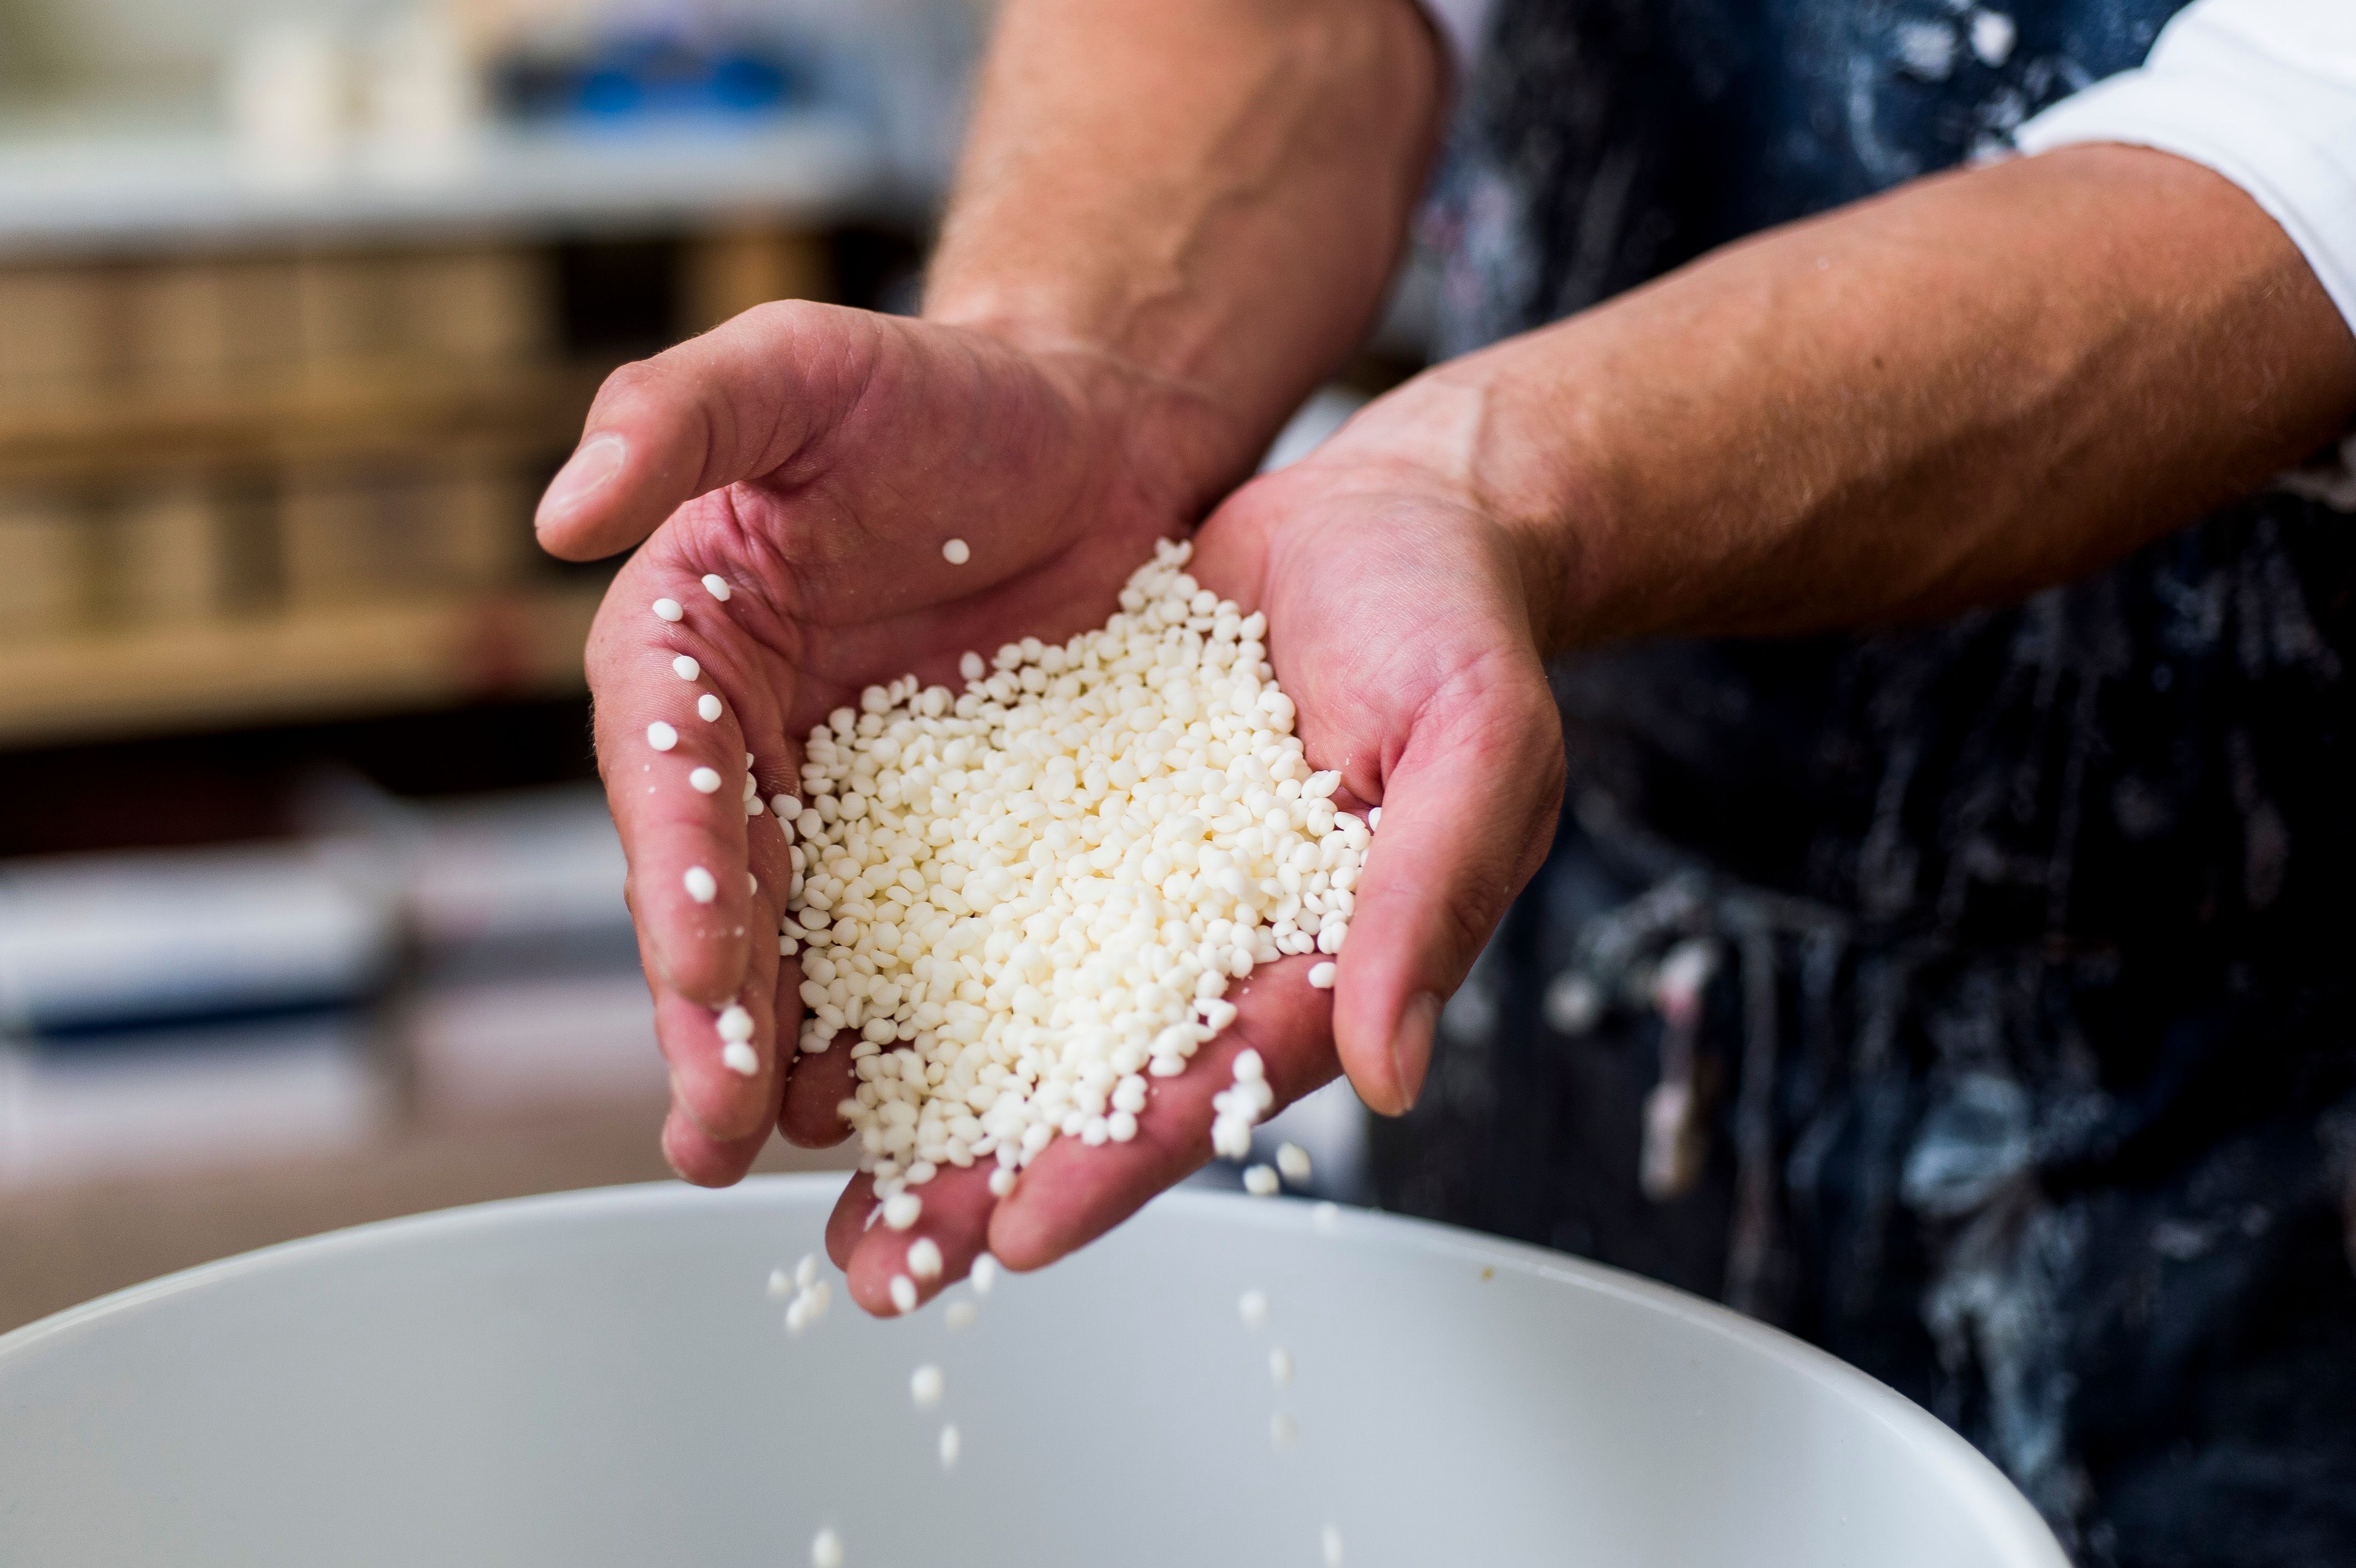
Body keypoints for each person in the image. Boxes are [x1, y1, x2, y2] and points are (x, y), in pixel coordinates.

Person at [534, 1, 2356, 1557]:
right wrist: (1069, 361)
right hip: (1568, 927)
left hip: (2268, 1109)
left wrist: (1487, 479)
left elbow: (2301, 156)